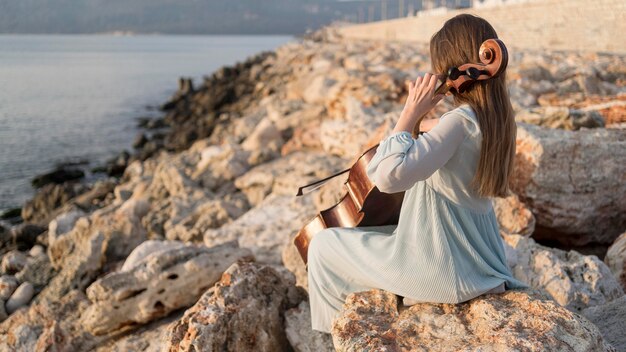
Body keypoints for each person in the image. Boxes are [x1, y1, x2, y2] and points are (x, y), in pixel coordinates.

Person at [306, 13, 530, 334]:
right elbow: (446, 132)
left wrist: (409, 112)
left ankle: (334, 337)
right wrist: (421, 123)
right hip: (478, 258)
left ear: (453, 67)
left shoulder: (458, 122)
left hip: (440, 267)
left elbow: (388, 177)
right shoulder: (495, 119)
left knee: (323, 245)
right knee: (371, 237)